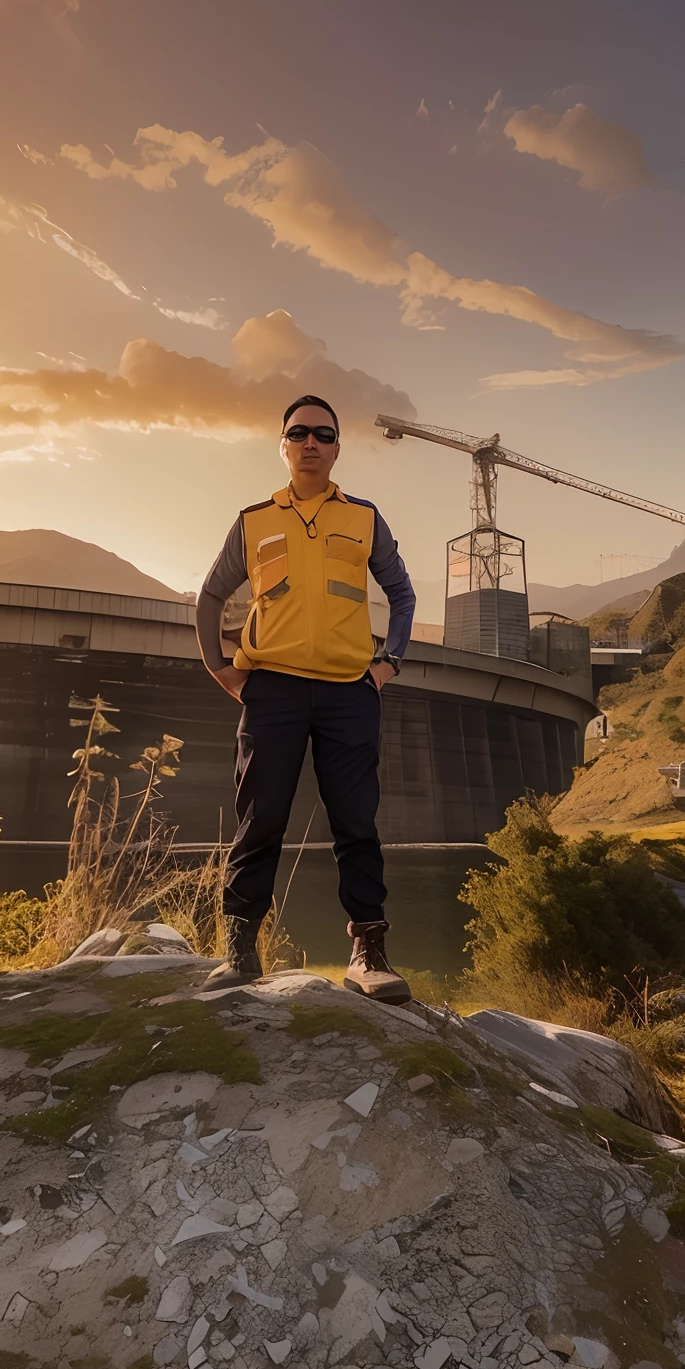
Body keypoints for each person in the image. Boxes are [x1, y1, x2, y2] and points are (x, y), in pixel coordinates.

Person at [195, 395, 416, 1004]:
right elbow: (211, 596)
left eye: (323, 433)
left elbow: (402, 593)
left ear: (338, 447)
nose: (311, 442)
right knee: (260, 819)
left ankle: (368, 952)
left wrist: (387, 662)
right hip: (273, 690)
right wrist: (221, 668)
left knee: (355, 822)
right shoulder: (254, 520)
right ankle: (240, 948)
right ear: (285, 446)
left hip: (350, 691)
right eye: (299, 433)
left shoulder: (366, 518)